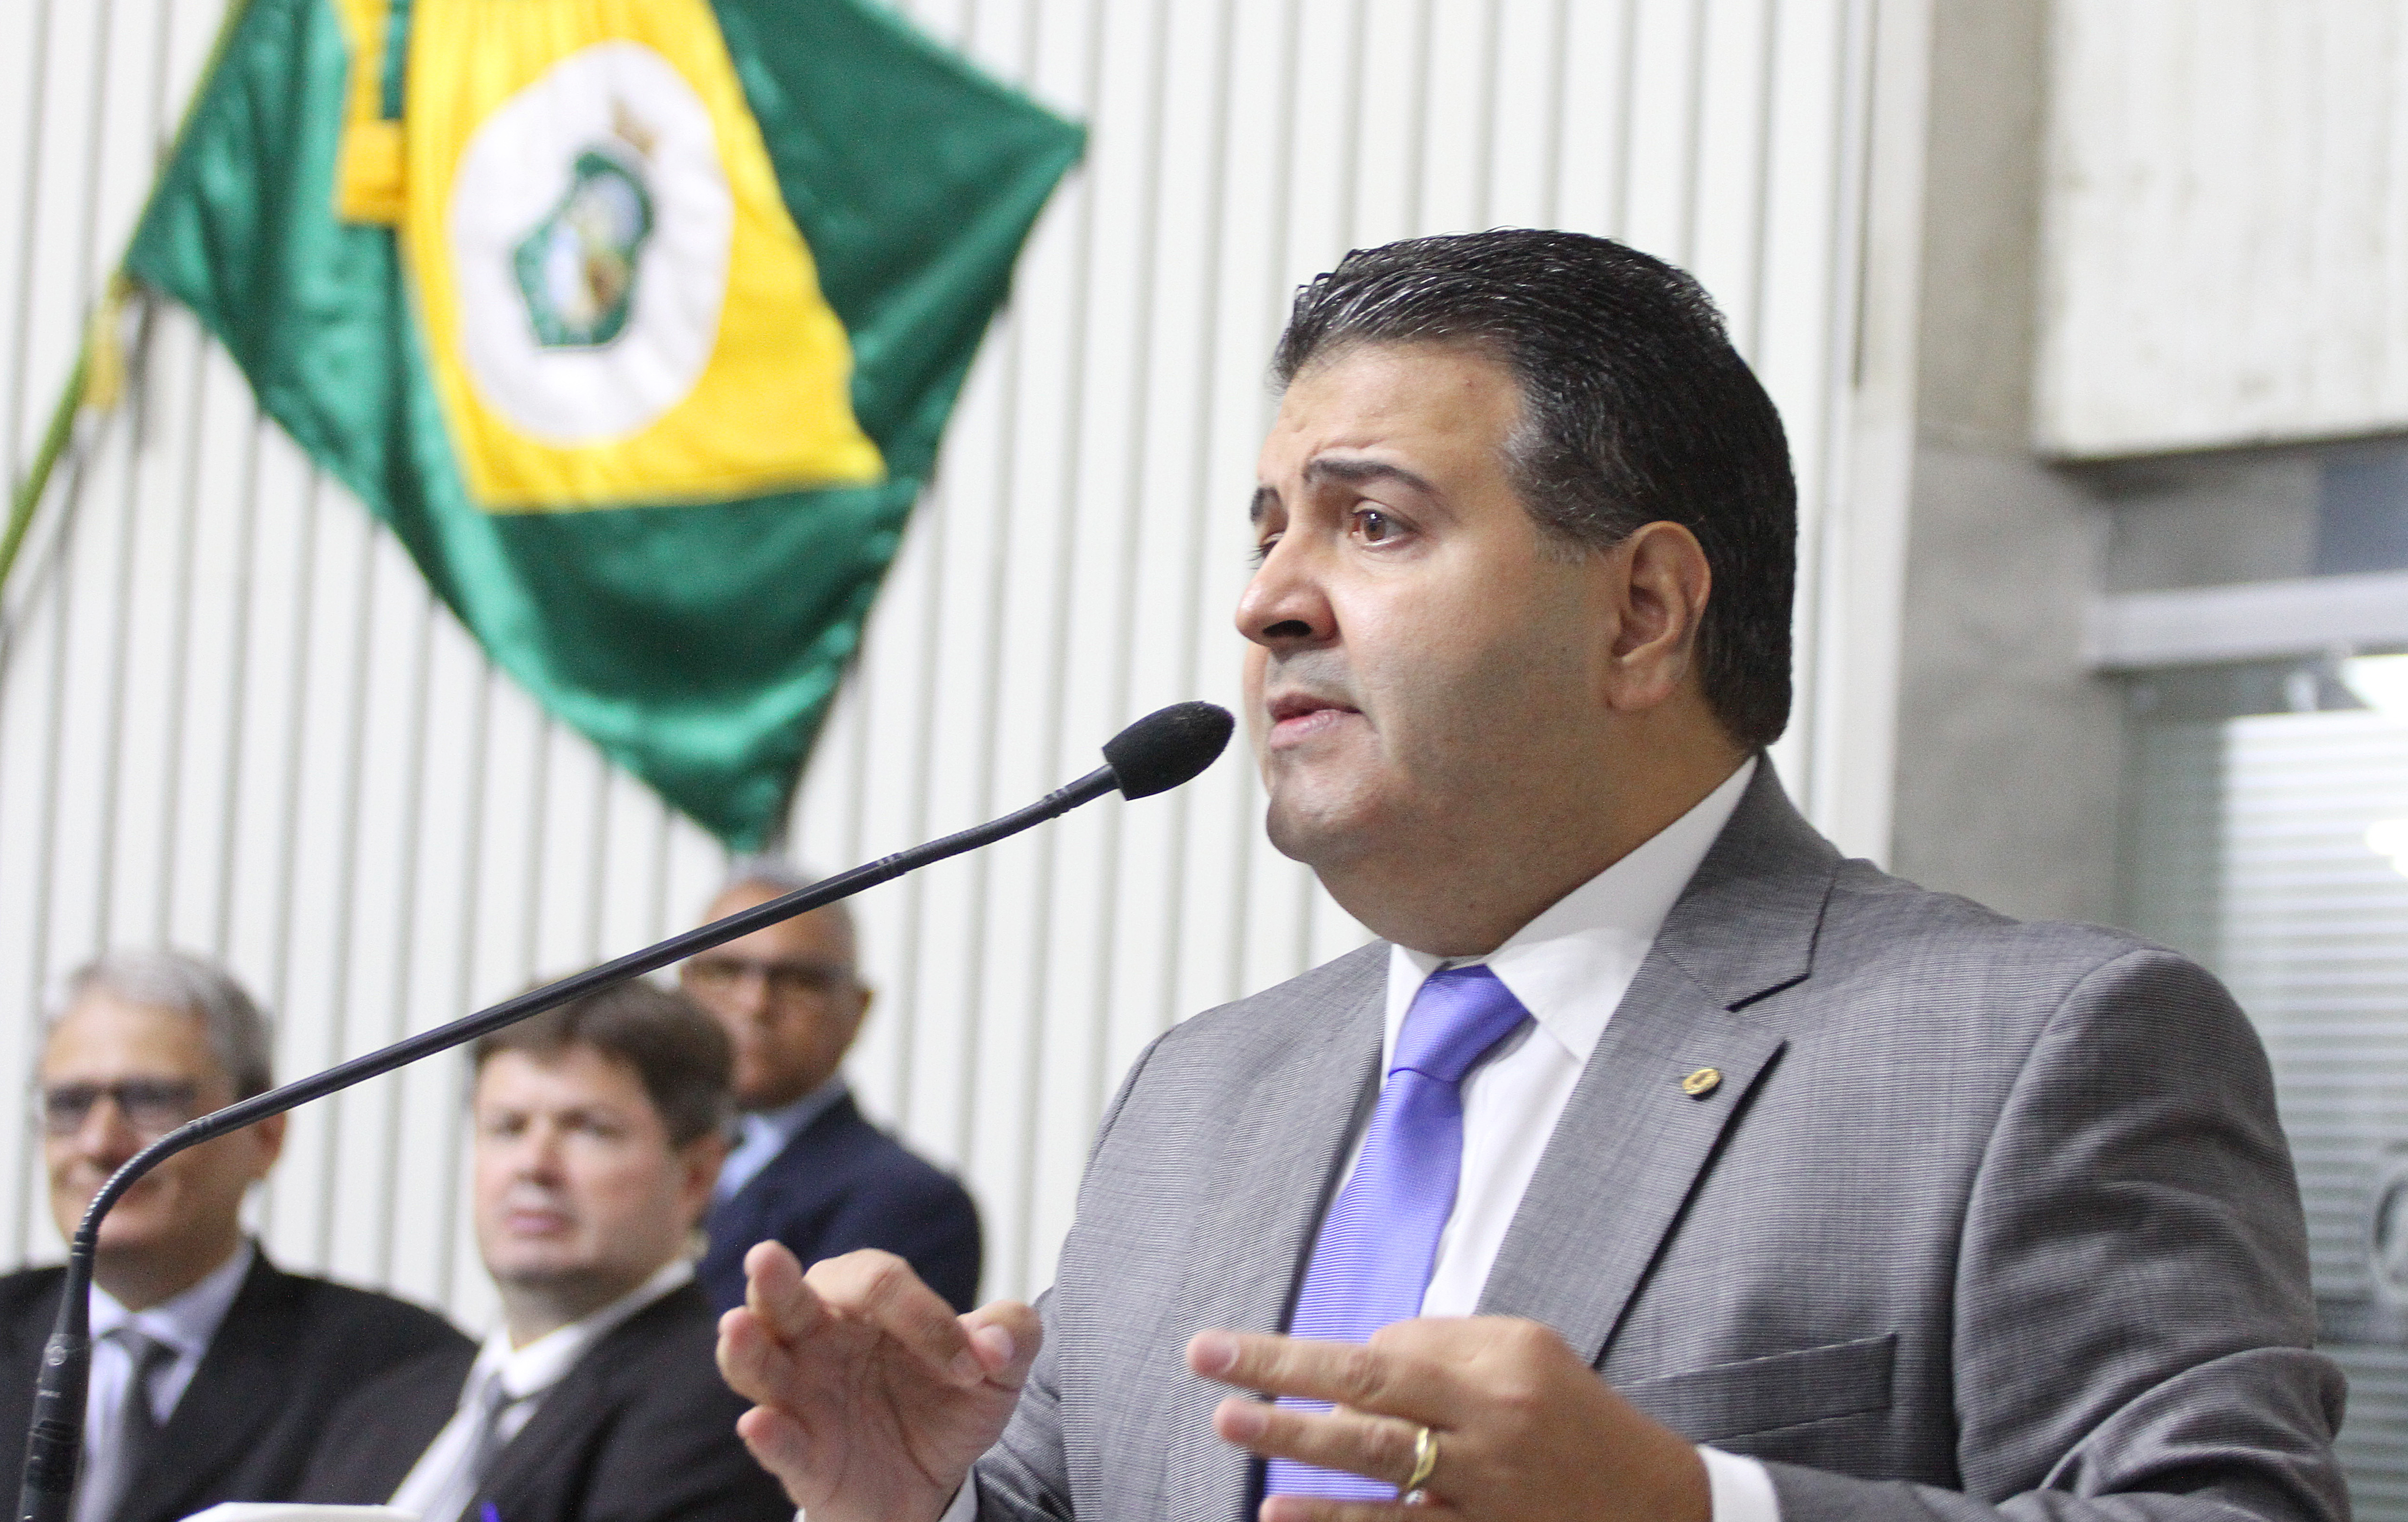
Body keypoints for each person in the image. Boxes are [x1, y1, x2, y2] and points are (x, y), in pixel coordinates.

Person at [715, 228, 2349, 1522]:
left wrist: (1693, 1508)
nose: (1267, 602)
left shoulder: (2032, 1053)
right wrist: (916, 1505)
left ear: (1641, 614)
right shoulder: (1197, 1097)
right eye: (1268, 528)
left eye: (1372, 523)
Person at [298, 979, 790, 1522]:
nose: (533, 1165)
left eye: (589, 1130)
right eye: (507, 1128)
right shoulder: (383, 1409)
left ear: (696, 1175)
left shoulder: (727, 1400)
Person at [0, 950, 465, 1522]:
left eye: (149, 1100)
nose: (99, 1143)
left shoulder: (399, 1369)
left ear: (265, 1134)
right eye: (69, 1105)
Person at [680, 862, 981, 1313]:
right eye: (726, 971)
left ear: (858, 1009)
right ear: (685, 988)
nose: (755, 1003)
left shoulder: (908, 1203)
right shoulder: (623, 1159)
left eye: (799, 981)